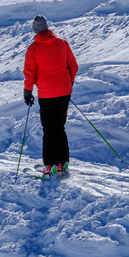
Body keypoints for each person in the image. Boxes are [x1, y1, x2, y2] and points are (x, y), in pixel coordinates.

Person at [23, 15, 78, 178]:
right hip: (64, 92)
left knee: (49, 130)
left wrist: (27, 92)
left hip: (47, 94)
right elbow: (73, 66)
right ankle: (63, 162)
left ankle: (50, 165)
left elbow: (30, 73)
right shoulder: (62, 43)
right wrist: (68, 83)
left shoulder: (34, 49)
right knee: (60, 127)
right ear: (47, 27)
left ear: (35, 30)